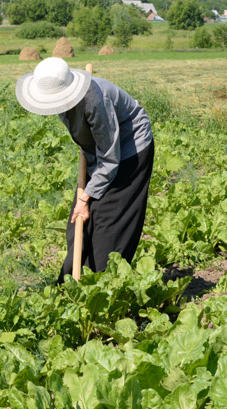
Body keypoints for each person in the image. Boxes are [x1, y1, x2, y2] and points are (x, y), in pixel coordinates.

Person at [15, 58, 154, 280]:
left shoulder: (94, 102)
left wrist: (85, 198)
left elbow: (110, 158)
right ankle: (71, 283)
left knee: (109, 222)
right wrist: (86, 200)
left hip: (128, 150)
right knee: (79, 223)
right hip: (100, 154)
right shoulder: (62, 99)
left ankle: (101, 285)